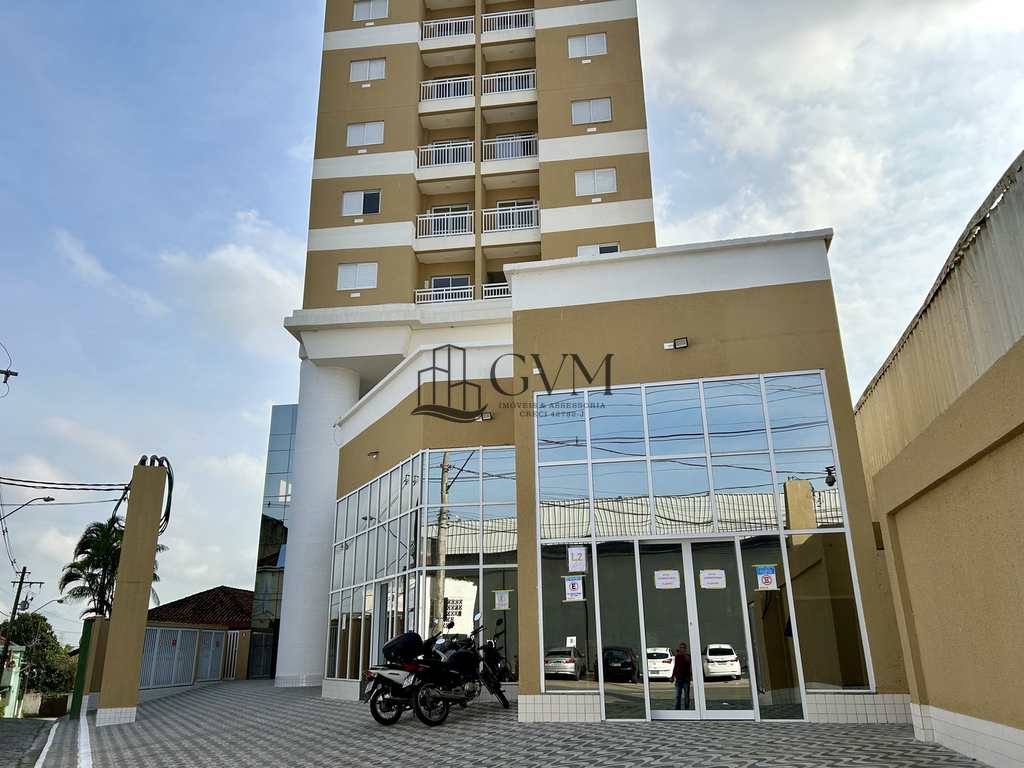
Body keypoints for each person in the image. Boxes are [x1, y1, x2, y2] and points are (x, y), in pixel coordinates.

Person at [671, 641, 692, 710]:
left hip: (686, 679)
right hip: (678, 679)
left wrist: (684, 654)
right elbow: (675, 666)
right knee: (678, 696)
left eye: (683, 648)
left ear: (685, 649)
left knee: (686, 695)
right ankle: (677, 710)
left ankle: (686, 709)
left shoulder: (687, 656)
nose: (682, 649)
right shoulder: (677, 656)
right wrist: (672, 676)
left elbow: (688, 661)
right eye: (680, 648)